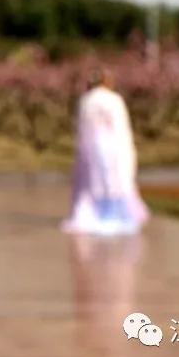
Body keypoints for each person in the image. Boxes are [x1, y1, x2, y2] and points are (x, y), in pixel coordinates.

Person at [62, 69, 149, 235]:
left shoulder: (86, 100)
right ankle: (113, 213)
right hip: (113, 145)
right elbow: (120, 127)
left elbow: (81, 128)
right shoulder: (114, 99)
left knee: (93, 180)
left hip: (91, 145)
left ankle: (95, 211)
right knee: (113, 179)